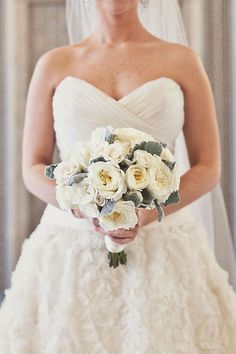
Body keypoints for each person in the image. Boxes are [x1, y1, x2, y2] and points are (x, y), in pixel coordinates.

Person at [0, 0, 236, 352]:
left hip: (165, 247)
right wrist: (84, 206)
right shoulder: (54, 64)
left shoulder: (182, 61)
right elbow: (33, 168)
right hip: (70, 249)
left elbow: (208, 166)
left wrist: (148, 212)